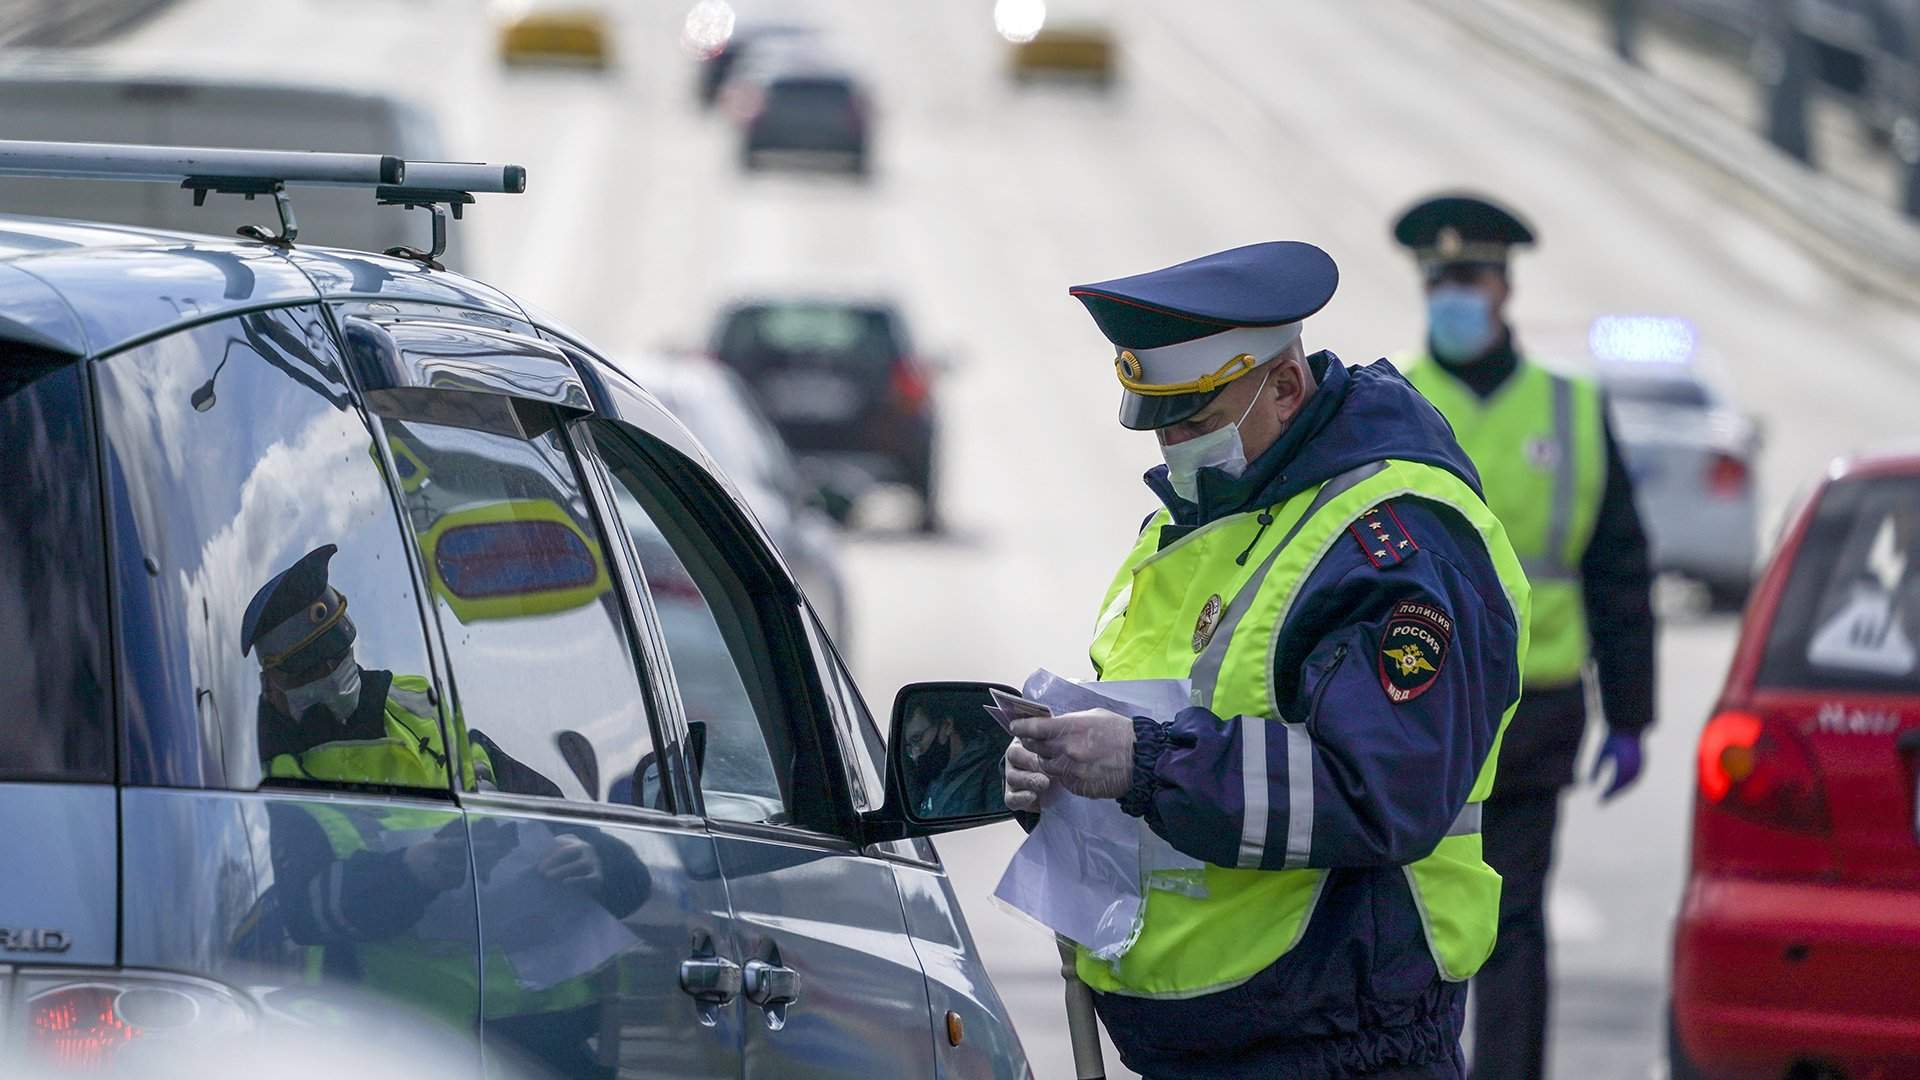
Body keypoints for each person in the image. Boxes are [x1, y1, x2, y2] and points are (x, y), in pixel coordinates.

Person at [1003, 240, 1531, 1078]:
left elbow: (1381, 791)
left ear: (1284, 386)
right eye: (1160, 420)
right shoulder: (1206, 522)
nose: (1174, 443)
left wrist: (1140, 763)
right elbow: (1171, 737)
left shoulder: (1392, 544)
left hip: (1342, 1049)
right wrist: (1065, 778)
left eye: (1195, 416)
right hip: (1213, 1047)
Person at [1389, 194, 1657, 1080]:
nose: (1452, 295)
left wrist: (1630, 714)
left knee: (1511, 922)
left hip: (1534, 710)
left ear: (1505, 288)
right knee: (1406, 921)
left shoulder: (1572, 411)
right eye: (1439, 281)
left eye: (1468, 278)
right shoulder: (1391, 405)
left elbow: (1619, 567)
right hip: (1413, 712)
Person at [243, 544, 648, 1076]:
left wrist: (595, 859)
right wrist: (409, 873)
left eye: (336, 653)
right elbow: (304, 911)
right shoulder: (274, 771)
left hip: (545, 1043)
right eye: (309, 667)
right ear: (273, 682)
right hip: (399, 1050)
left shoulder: (426, 713)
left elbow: (589, 841)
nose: (330, 672)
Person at [903, 698, 1006, 818]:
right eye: (910, 745)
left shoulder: (994, 773)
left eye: (917, 738)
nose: (916, 753)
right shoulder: (933, 777)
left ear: (947, 725)